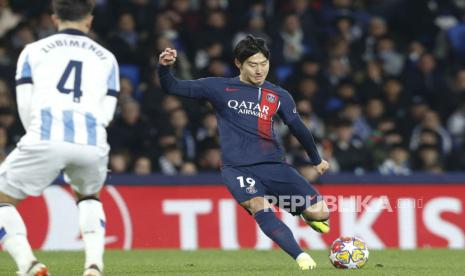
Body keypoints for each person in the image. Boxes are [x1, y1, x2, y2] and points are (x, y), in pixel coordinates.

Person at [157, 35, 330, 270]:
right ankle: (301, 256)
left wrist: (316, 159)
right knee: (258, 204)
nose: (259, 70)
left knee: (320, 213)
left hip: (273, 166)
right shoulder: (218, 87)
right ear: (239, 63)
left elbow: (297, 126)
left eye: (264, 64)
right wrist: (165, 68)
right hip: (237, 167)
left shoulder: (278, 95)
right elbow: (173, 86)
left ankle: (300, 212)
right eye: (252, 64)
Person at [0, 1, 119, 275]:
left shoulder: (33, 51)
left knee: (2, 200)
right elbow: (108, 110)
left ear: (55, 19)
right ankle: (93, 265)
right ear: (89, 20)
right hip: (91, 140)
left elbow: (26, 105)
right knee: (89, 196)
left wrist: (38, 138)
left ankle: (29, 265)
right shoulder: (106, 57)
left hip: (44, 136)